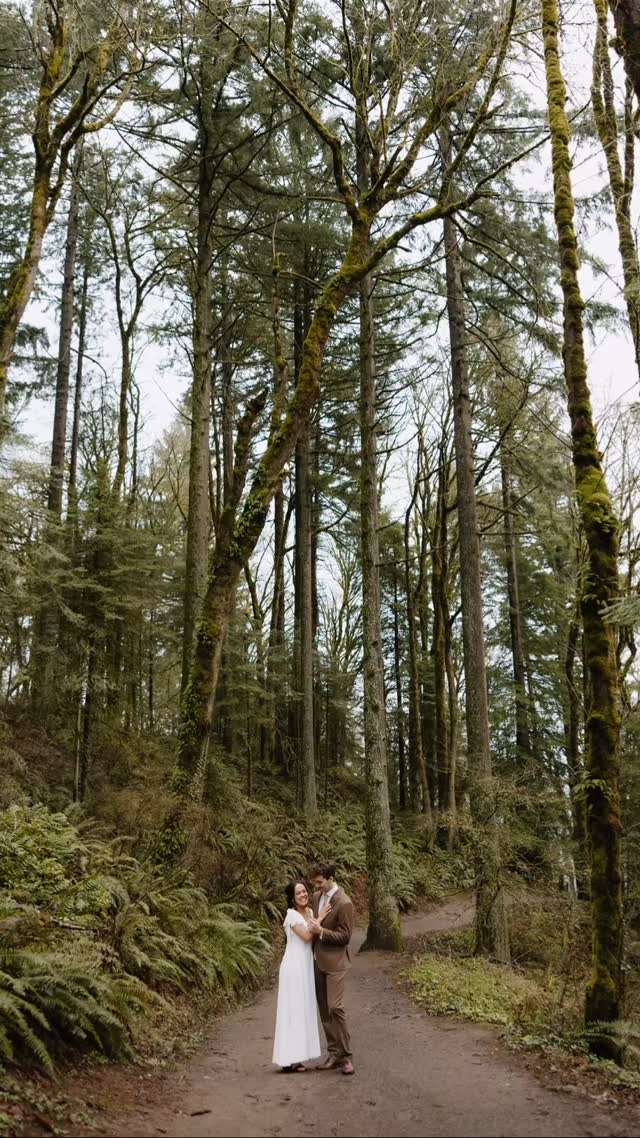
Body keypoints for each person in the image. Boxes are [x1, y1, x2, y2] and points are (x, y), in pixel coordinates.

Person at [272, 880, 331, 1072]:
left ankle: (297, 1057)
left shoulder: (309, 913)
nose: (303, 895)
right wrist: (321, 918)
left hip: (306, 966)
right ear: (292, 898)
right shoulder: (291, 915)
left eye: (304, 891)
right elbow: (307, 936)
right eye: (298, 893)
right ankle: (288, 1058)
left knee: (303, 1009)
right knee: (292, 1010)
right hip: (294, 967)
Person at [307, 862, 355, 1076]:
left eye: (319, 882)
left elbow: (345, 937)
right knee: (325, 1011)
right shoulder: (317, 898)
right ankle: (334, 1053)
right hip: (317, 961)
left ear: (331, 878)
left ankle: (347, 1057)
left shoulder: (345, 903)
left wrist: (322, 932)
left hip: (336, 963)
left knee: (336, 1008)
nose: (316, 886)